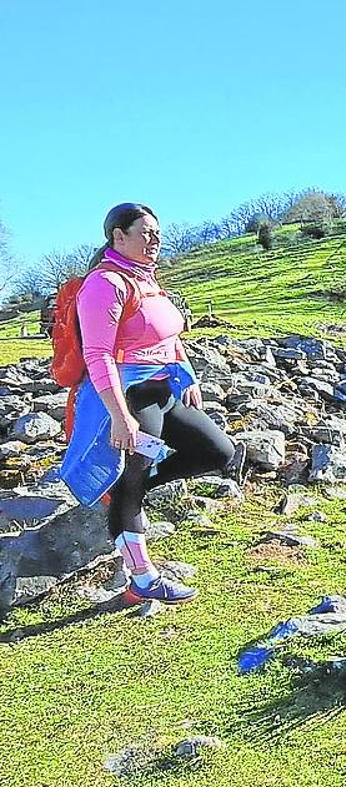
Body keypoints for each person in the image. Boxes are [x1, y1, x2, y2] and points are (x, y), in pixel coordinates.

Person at [60, 203, 234, 605]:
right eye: (146, 232)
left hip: (163, 389)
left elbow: (169, 335)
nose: (154, 240)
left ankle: (124, 494)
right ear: (118, 237)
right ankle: (141, 578)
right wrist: (121, 418)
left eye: (157, 233)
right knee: (131, 484)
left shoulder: (147, 280)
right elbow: (99, 355)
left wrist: (186, 374)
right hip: (129, 396)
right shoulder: (105, 284)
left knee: (217, 451)